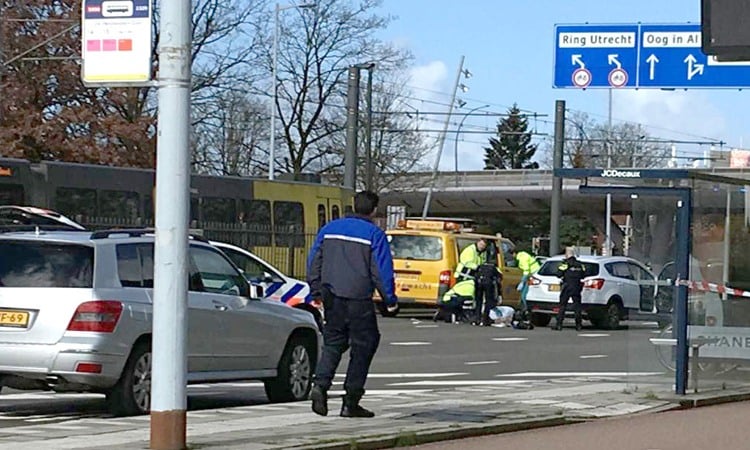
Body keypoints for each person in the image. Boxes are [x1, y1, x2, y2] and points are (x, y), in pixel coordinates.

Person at [307, 190, 398, 418]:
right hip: (358, 298)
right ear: (374, 210)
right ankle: (351, 400)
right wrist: (390, 299)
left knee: (334, 341)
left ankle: (320, 385)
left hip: (331, 295)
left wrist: (315, 288)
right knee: (364, 345)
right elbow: (381, 270)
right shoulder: (373, 234)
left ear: (353, 206)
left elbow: (314, 259)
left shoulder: (329, 229)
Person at [554, 247, 586, 331]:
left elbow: (558, 274)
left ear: (567, 255)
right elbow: (584, 275)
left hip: (567, 286)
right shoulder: (580, 264)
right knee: (577, 306)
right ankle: (578, 325)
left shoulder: (565, 264)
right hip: (576, 286)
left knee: (562, 306)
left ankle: (559, 324)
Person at [455, 238, 486, 323]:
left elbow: (482, 262)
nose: (482, 247)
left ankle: (466, 314)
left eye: (483, 246)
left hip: (470, 277)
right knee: (463, 296)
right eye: (481, 245)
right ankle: (460, 315)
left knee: (469, 297)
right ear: (477, 243)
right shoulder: (470, 250)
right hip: (463, 275)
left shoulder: (482, 252)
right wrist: (478, 267)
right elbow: (466, 263)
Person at [474, 240, 502, 326]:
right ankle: (485, 319)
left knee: (478, 301)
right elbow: (499, 277)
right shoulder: (493, 267)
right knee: (488, 301)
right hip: (488, 284)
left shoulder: (481, 265)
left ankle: (477, 318)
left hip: (479, 282)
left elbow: (476, 274)